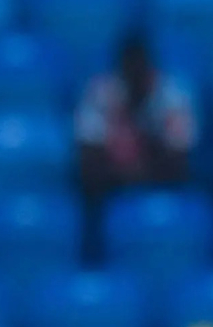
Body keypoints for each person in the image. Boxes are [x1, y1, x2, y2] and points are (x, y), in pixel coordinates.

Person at [75, 31, 199, 263]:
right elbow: (88, 162)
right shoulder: (99, 94)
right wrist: (129, 172)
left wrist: (137, 169)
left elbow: (179, 164)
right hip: (110, 188)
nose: (135, 76)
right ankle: (95, 259)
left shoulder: (172, 95)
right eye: (129, 70)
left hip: (162, 186)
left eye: (140, 70)